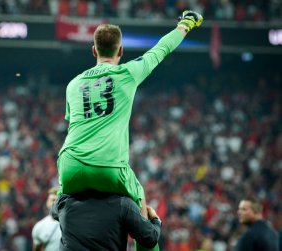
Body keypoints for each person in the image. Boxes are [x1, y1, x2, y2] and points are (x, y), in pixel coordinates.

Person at [57, 10, 202, 220]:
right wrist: (186, 24)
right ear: (121, 50)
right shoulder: (128, 73)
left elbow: (74, 124)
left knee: (60, 208)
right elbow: (161, 49)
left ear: (93, 51)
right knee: (143, 211)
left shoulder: (73, 84)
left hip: (69, 166)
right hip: (108, 166)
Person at [52, 191, 162, 250]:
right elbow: (149, 239)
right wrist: (155, 219)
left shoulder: (64, 204)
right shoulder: (123, 205)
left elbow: (54, 212)